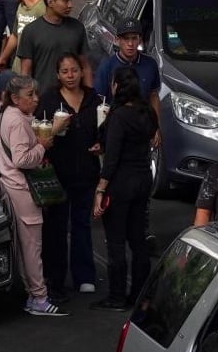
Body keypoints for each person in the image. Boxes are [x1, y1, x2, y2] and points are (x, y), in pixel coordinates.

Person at [0, 75, 67, 317]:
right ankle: (39, 297)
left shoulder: (8, 115)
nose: (36, 99)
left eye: (36, 94)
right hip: (22, 190)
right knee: (32, 247)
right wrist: (42, 146)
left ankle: (32, 294)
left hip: (10, 186)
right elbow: (22, 159)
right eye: (30, 95)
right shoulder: (17, 121)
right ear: (15, 99)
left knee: (24, 245)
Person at [38, 53, 102, 301]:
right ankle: (55, 277)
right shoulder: (49, 99)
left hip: (86, 172)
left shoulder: (94, 98)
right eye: (65, 71)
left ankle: (84, 276)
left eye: (74, 70)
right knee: (56, 226)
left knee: (81, 224)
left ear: (81, 71)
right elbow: (39, 131)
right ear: (58, 74)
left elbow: (105, 129)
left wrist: (101, 144)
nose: (71, 76)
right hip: (58, 173)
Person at [93, 67, 156, 310]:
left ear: (116, 86)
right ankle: (139, 293)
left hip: (120, 183)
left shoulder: (119, 116)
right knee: (138, 239)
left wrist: (100, 189)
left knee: (116, 241)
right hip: (143, 179)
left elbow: (112, 158)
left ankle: (116, 296)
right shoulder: (147, 112)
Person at [17, 0, 92, 87]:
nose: (70, 5)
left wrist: (90, 93)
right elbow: (25, 73)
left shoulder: (77, 28)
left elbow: (85, 67)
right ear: (50, 2)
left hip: (73, 96)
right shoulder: (31, 31)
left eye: (71, 0)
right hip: (43, 95)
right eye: (65, 0)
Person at [93, 20, 161, 126]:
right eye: (126, 38)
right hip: (116, 126)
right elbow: (99, 100)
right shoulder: (106, 66)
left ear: (140, 40)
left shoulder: (150, 64)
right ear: (117, 40)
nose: (130, 44)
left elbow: (154, 95)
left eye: (134, 38)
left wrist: (156, 125)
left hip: (143, 126)